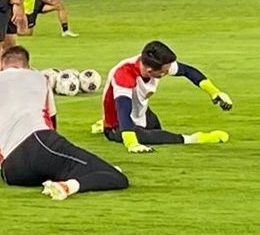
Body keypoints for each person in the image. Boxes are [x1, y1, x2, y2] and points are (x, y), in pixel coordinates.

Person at [0, 46, 128, 201]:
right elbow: (52, 123)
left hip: (12, 172)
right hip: (41, 144)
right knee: (115, 176)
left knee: (83, 169)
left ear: (2, 64)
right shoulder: (39, 79)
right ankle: (68, 187)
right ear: (27, 65)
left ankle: (59, 179)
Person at [99, 41, 233, 153]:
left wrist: (215, 92)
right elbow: (123, 110)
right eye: (165, 71)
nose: (169, 72)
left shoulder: (154, 63)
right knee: (152, 137)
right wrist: (131, 144)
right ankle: (194, 139)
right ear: (151, 71)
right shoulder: (124, 74)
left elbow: (188, 71)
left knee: (155, 128)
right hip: (116, 124)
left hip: (141, 112)